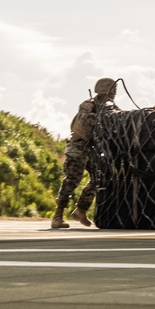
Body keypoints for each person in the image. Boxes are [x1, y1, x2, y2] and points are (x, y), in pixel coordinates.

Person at [51, 77, 118, 230]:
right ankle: (57, 216)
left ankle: (81, 209)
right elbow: (84, 118)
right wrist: (101, 118)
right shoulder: (88, 105)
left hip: (93, 149)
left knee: (98, 178)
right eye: (112, 90)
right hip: (78, 147)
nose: (114, 94)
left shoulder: (110, 108)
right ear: (106, 91)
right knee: (72, 180)